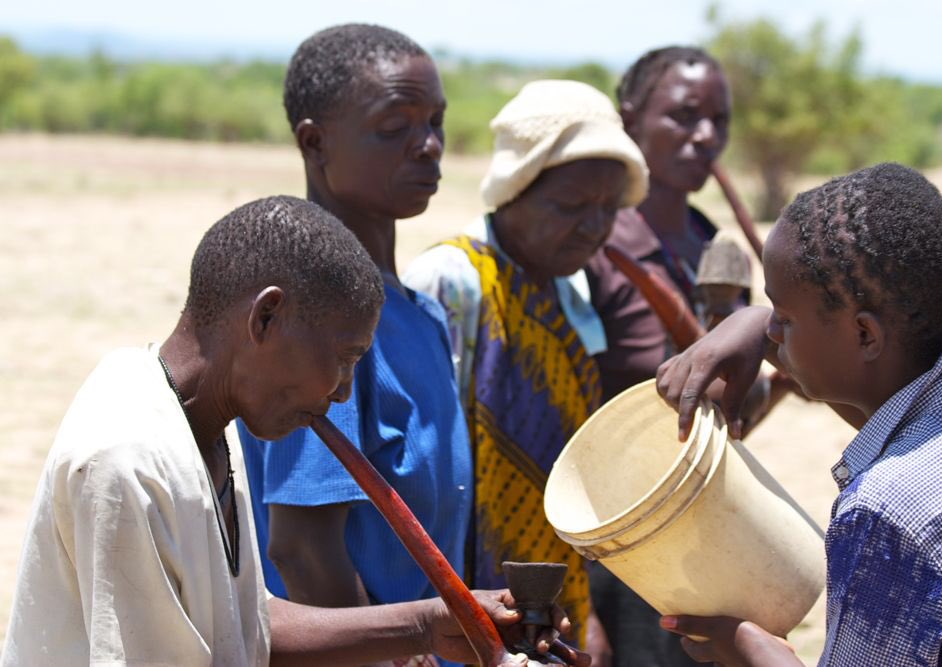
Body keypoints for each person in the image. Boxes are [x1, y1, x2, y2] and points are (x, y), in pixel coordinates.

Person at [1, 196, 583, 666]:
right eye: (346, 357)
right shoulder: (128, 458)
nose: (343, 391)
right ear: (265, 317)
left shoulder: (202, 423)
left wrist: (429, 625)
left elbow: (241, 626)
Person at [655, 163, 942, 665]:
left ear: (865, 335)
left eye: (785, 318)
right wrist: (756, 324)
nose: (772, 330)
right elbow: (904, 428)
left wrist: (748, 647)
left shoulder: (889, 517)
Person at [236, 26, 473, 665]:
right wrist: (389, 652)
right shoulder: (320, 324)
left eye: (436, 122)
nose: (428, 146)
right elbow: (303, 548)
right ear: (314, 142)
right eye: (395, 126)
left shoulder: (417, 313)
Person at [404, 79, 648, 660]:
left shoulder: (570, 294)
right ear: (515, 189)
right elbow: (425, 472)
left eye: (608, 210)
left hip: (551, 593)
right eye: (570, 206)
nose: (593, 227)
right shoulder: (452, 282)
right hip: (461, 600)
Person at [583, 45, 753, 667]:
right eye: (684, 116)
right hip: (617, 532)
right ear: (630, 120)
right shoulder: (595, 242)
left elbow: (737, 409)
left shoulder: (713, 243)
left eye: (718, 120)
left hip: (703, 531)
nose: (706, 136)